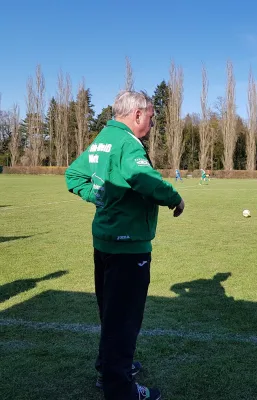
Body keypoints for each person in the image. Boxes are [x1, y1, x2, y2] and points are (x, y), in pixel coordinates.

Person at [65, 90, 185, 400]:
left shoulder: (103, 138)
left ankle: (111, 367)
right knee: (124, 320)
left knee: (112, 314)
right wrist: (175, 197)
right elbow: (144, 179)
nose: (152, 123)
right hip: (128, 246)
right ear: (138, 115)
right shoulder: (128, 143)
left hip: (104, 242)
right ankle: (120, 390)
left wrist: (98, 196)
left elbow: (74, 174)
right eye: (152, 118)